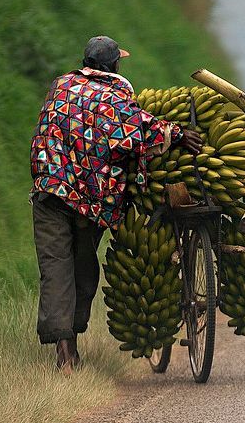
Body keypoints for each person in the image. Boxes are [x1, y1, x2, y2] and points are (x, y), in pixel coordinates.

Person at [29, 35, 202, 374]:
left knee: (55, 269)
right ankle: (69, 349)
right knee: (82, 267)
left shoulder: (60, 85)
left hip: (49, 190)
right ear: (113, 66)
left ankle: (66, 351)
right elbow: (138, 129)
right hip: (88, 199)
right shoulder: (112, 96)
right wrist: (178, 134)